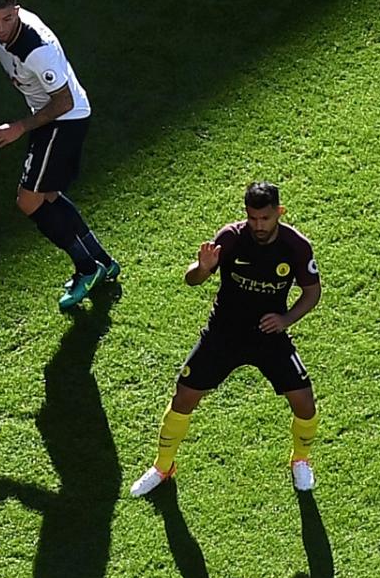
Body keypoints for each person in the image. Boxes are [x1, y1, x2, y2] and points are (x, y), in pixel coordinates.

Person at [130, 181, 321, 499]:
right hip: (224, 333)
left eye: (266, 218)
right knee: (184, 397)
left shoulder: (296, 246)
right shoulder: (231, 238)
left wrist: (286, 320)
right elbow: (192, 279)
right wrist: (202, 269)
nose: (259, 226)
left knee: (305, 403)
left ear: (279, 213)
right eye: (253, 218)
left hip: (268, 336)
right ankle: (163, 467)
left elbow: (313, 292)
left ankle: (300, 460)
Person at [0, 0, 118, 313]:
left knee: (28, 201)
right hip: (53, 117)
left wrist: (18, 128)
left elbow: (64, 101)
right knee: (49, 196)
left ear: (18, 12)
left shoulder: (37, 50)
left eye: (7, 20)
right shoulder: (5, 27)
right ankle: (103, 262)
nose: (1, 27)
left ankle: (87, 268)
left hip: (63, 119)